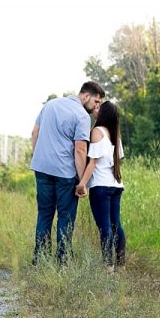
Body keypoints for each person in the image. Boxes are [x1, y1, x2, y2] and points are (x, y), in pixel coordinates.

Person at [30, 81, 105, 264]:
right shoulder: (81, 115)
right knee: (66, 215)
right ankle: (63, 259)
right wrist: (82, 182)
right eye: (96, 101)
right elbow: (80, 150)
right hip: (65, 173)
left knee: (45, 213)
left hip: (42, 168)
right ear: (85, 95)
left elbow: (34, 133)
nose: (96, 106)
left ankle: (40, 258)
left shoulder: (50, 105)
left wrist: (40, 157)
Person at [75, 100, 126, 270]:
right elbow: (116, 161)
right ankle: (120, 264)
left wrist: (81, 184)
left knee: (105, 227)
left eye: (98, 108)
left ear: (103, 114)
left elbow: (93, 163)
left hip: (101, 187)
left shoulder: (97, 132)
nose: (95, 108)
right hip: (116, 186)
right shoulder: (115, 135)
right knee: (115, 224)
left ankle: (108, 266)